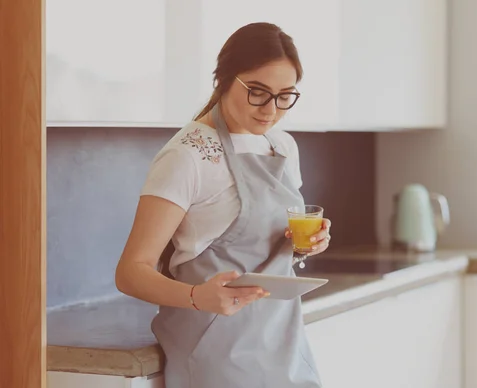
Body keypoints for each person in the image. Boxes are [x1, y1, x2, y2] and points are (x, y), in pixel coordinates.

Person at [115, 22, 332, 388]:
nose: (272, 110)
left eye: (285, 96)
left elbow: (265, 244)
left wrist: (302, 245)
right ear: (224, 79)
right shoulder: (188, 156)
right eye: (258, 93)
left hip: (281, 339)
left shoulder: (281, 146)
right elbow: (130, 271)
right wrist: (198, 297)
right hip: (215, 350)